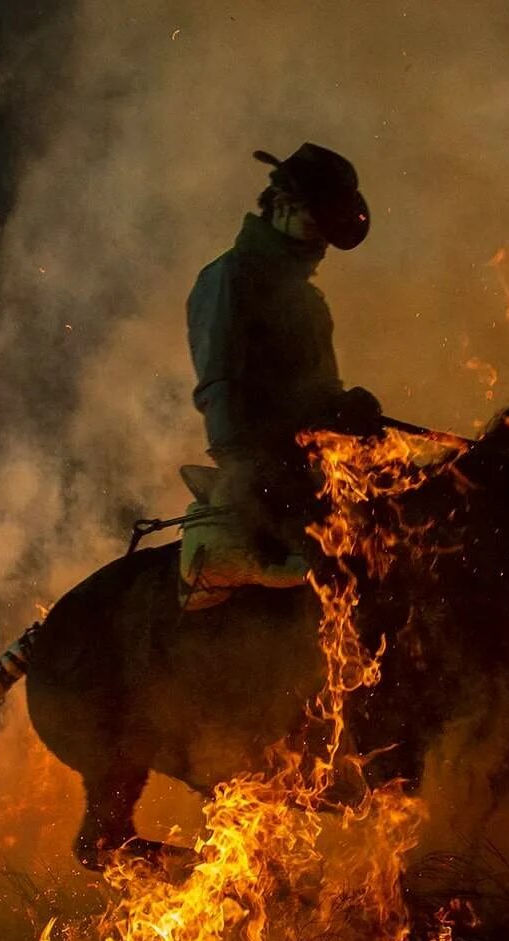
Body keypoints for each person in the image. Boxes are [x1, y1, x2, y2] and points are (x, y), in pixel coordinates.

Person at [182, 142, 381, 604]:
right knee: (333, 570)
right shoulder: (229, 278)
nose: (318, 246)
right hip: (261, 474)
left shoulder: (309, 304)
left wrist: (348, 409)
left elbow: (320, 394)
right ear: (282, 208)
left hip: (304, 467)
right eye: (315, 227)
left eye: (326, 237)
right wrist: (245, 468)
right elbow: (220, 384)